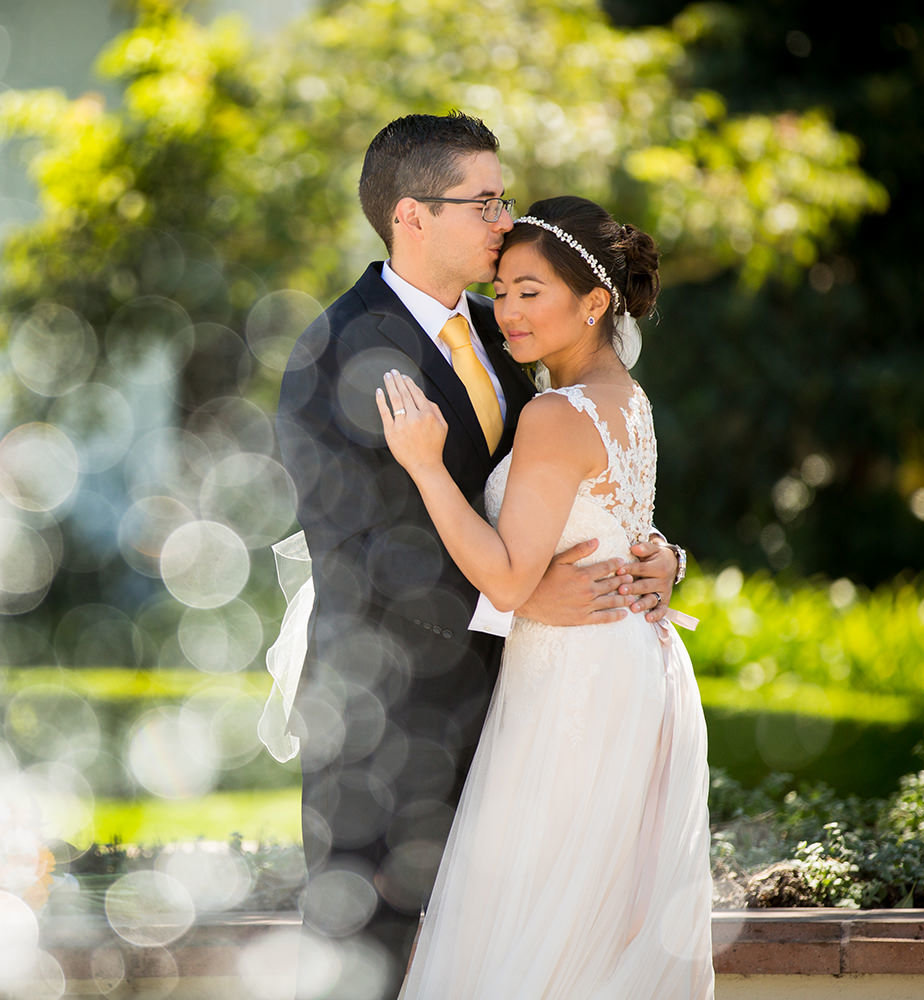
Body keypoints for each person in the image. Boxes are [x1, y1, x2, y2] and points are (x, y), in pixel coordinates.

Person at [271, 112, 684, 998]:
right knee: (364, 958)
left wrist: (657, 556)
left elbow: (576, 478)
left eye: (503, 198)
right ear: (412, 216)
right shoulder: (332, 352)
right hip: (389, 717)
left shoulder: (511, 333)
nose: (505, 219)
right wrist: (521, 598)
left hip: (526, 710)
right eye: (485, 202)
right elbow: (356, 547)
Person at [380, 195, 712, 997]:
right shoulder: (626, 396)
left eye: (532, 291)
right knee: (589, 922)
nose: (509, 311)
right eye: (505, 290)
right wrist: (666, 556)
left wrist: (425, 465)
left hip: (575, 683)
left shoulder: (556, 415)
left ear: (595, 301)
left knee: (535, 920)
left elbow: (505, 576)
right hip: (632, 665)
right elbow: (618, 526)